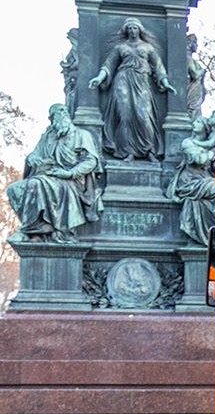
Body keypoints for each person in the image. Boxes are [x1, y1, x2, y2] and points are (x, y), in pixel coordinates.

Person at [6, 104, 103, 244]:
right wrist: (32, 158)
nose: (63, 113)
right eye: (58, 112)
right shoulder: (47, 137)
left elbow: (91, 161)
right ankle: (39, 230)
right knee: (14, 189)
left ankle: (28, 231)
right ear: (51, 119)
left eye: (64, 111)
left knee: (36, 184)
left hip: (70, 181)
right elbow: (34, 155)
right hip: (47, 176)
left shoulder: (82, 135)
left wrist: (69, 173)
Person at [89, 17, 176, 160]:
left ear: (140, 30)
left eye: (135, 28)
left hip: (142, 81)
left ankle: (149, 151)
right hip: (122, 79)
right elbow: (109, 64)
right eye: (129, 28)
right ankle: (128, 151)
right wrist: (99, 78)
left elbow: (158, 66)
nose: (132, 31)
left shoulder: (148, 47)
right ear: (126, 30)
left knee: (145, 117)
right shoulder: (120, 47)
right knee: (125, 116)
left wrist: (165, 83)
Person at [169, 112, 215, 245]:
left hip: (204, 179)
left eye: (198, 122)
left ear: (205, 127)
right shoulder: (187, 142)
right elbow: (200, 159)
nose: (194, 124)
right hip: (189, 182)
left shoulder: (213, 144)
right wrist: (211, 153)